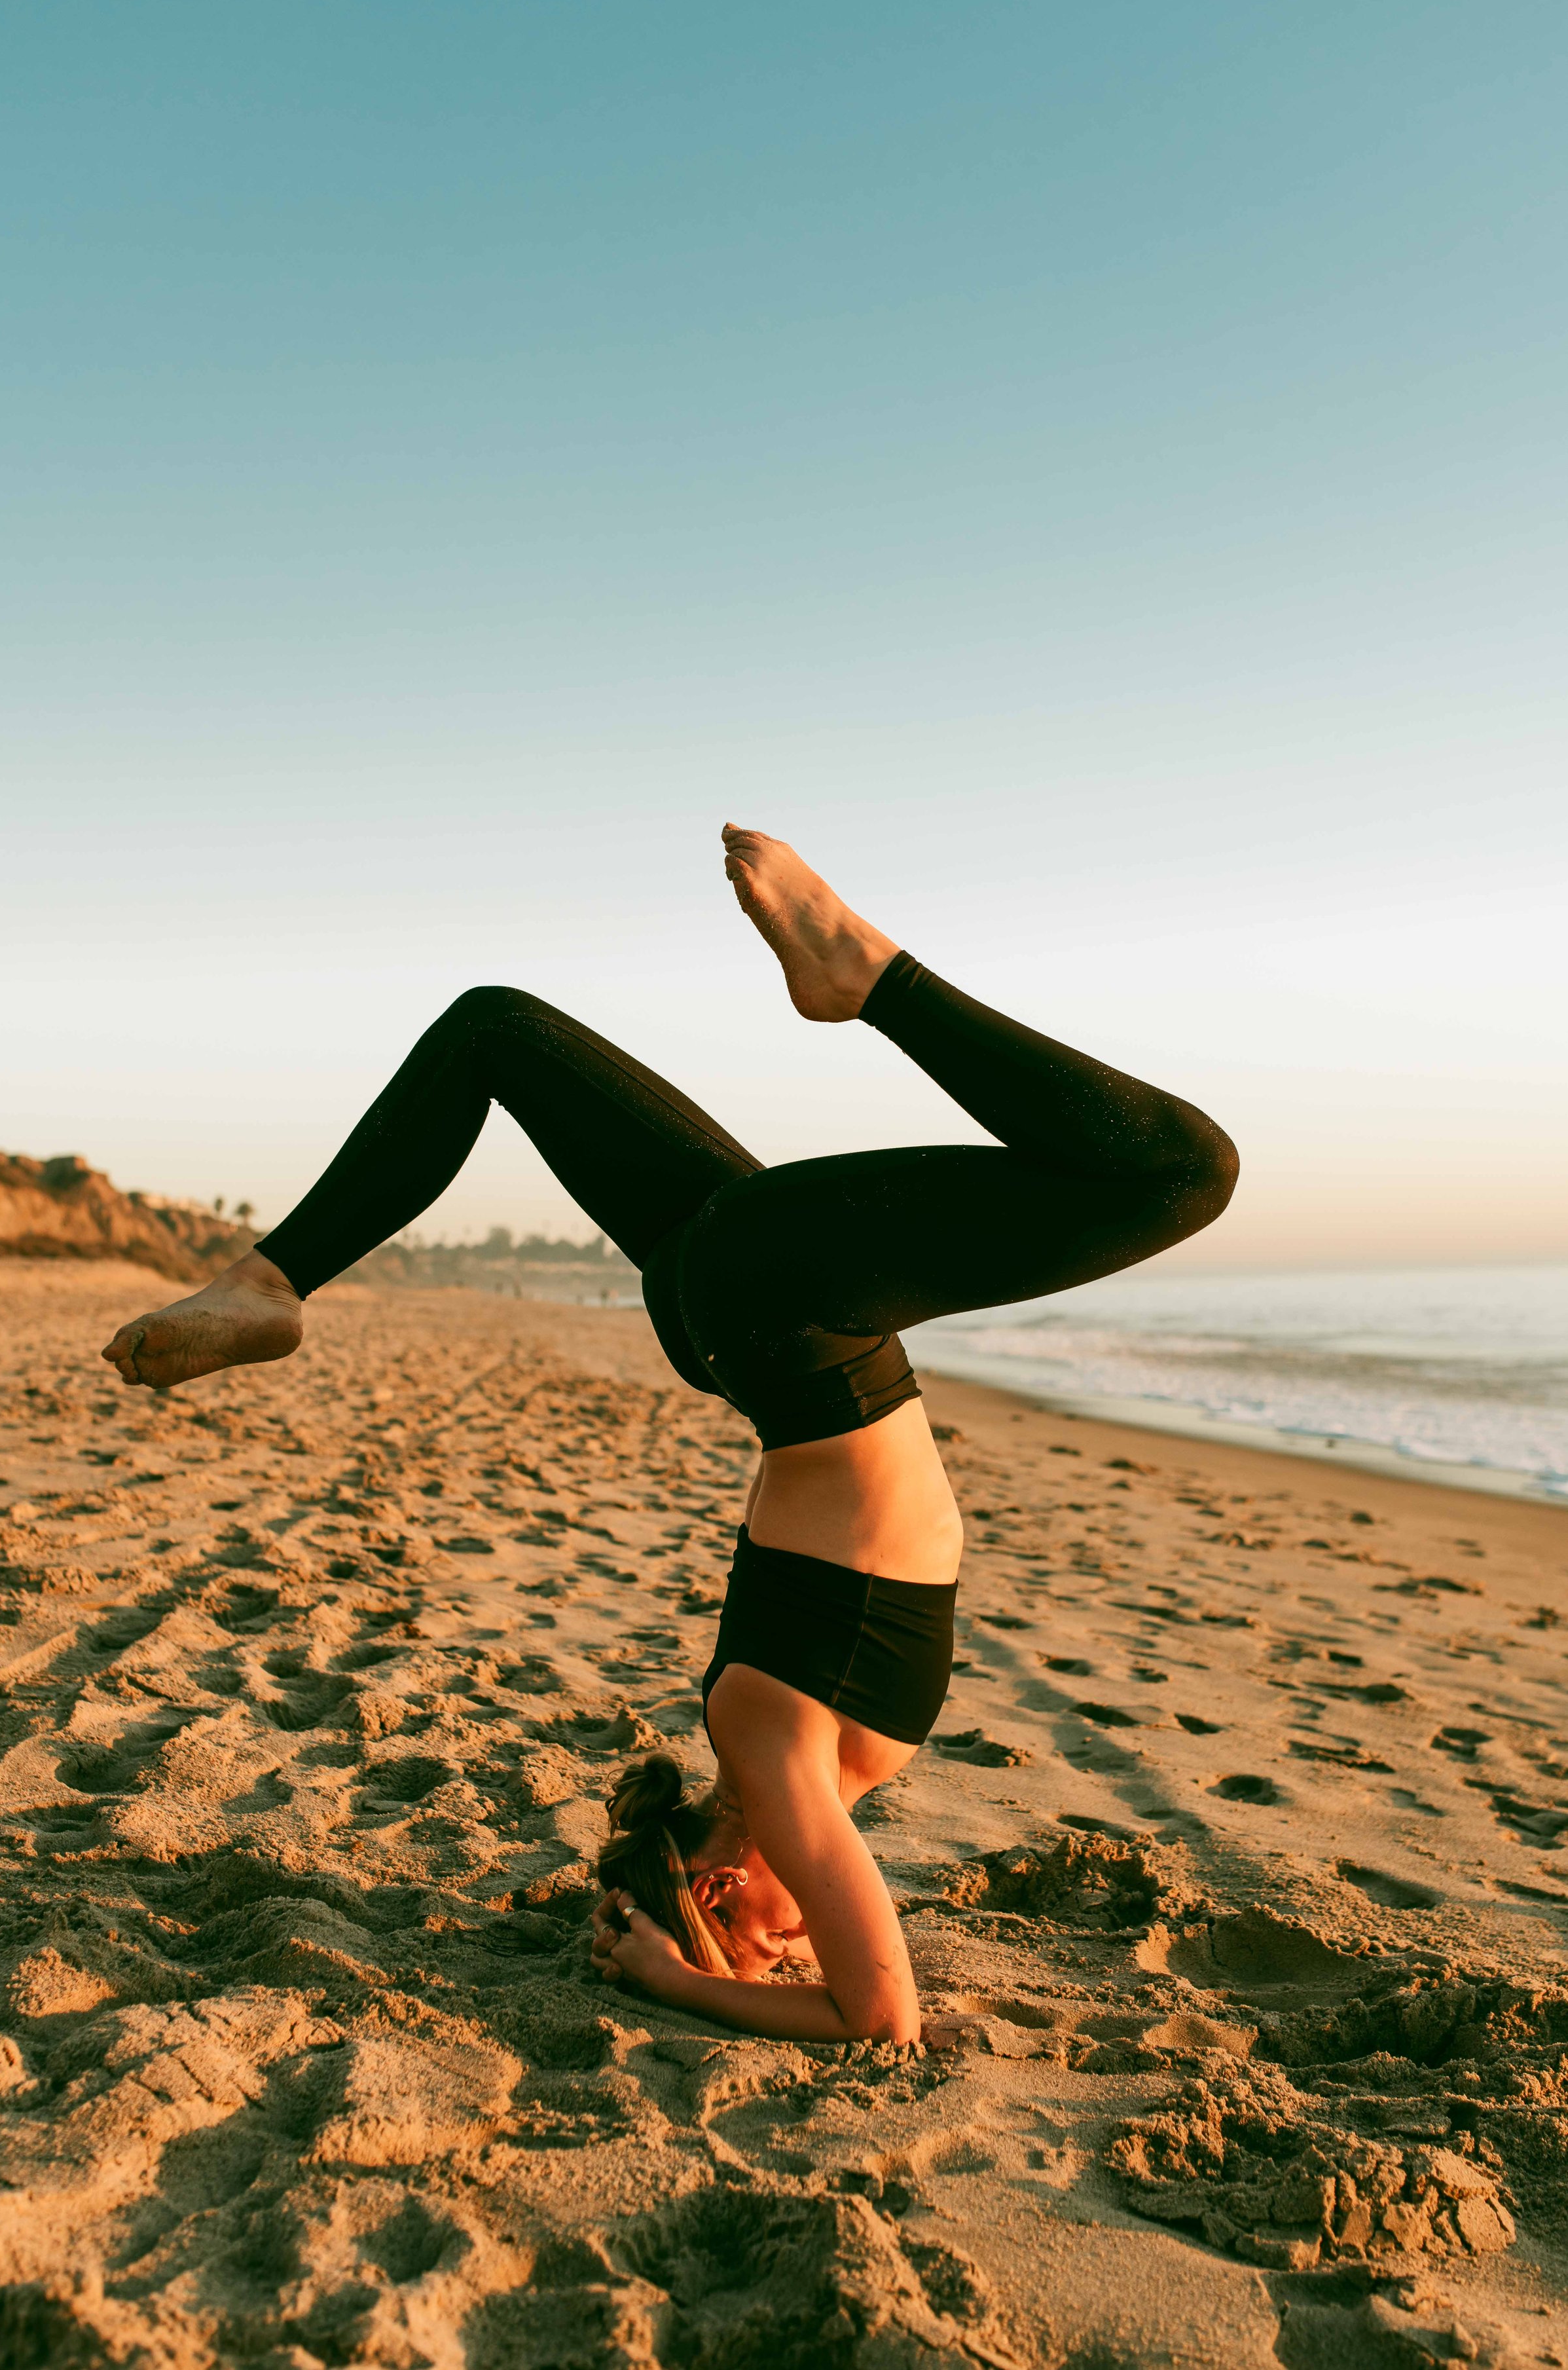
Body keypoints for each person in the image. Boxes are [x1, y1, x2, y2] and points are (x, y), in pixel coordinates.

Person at [102, 826, 1237, 2043]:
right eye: (773, 1963)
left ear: (719, 1886)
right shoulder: (791, 1757)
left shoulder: (773, 1761)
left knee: (1179, 1170)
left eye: (765, 1946)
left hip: (791, 1318)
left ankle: (866, 977)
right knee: (495, 1032)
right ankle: (273, 1278)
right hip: (760, 1324)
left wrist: (679, 1980)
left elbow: (883, 2016)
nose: (794, 1947)